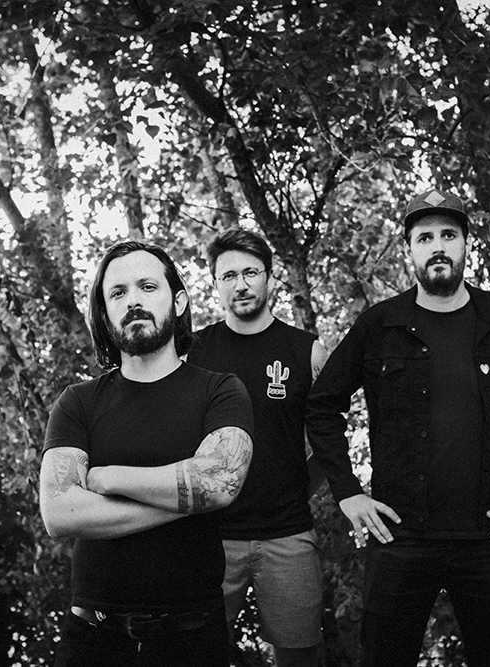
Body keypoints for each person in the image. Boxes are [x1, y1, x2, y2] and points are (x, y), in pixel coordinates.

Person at [305, 189, 490, 667]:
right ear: (409, 249)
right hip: (399, 535)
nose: (437, 246)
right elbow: (322, 406)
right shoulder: (380, 325)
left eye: (448, 235)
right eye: (425, 237)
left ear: (465, 244)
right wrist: (348, 493)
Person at [39, 240, 254, 667]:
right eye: (118, 292)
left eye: (147, 286)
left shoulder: (220, 390)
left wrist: (110, 478)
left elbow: (218, 481)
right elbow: (60, 512)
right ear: (105, 314)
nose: (133, 300)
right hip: (92, 640)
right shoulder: (78, 402)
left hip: (192, 640)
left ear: (179, 301)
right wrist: (187, 499)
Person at [187, 228, 327, 667]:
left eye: (250, 272)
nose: (241, 284)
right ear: (216, 283)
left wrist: (297, 489)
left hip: (288, 534)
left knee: (299, 657)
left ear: (269, 276)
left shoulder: (307, 351)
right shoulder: (193, 353)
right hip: (210, 538)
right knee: (196, 653)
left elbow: (328, 440)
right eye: (228, 276)